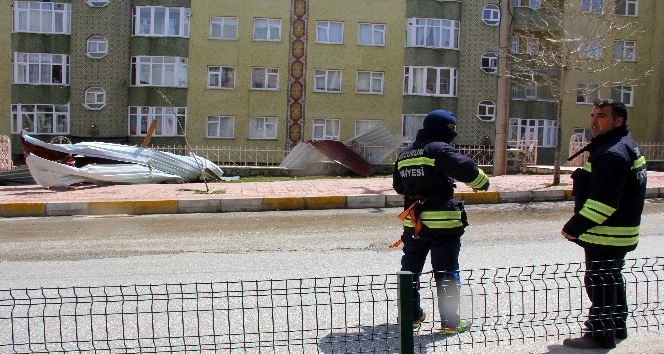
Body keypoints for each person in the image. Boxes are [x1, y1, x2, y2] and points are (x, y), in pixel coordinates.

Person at [392, 109, 490, 333]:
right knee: (446, 272)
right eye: (451, 129)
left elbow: (398, 186)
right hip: (444, 224)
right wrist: (483, 182)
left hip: (414, 224)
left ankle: (410, 317)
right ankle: (450, 322)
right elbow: (468, 169)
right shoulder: (438, 149)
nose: (453, 134)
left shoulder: (405, 153)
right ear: (440, 127)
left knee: (410, 271)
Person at [561, 99, 647, 349]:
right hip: (619, 231)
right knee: (611, 279)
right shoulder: (622, 145)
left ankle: (599, 335)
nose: (594, 121)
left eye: (602, 116)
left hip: (607, 233)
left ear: (618, 121)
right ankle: (617, 327)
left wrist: (575, 226)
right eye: (592, 115)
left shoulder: (612, 153)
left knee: (599, 282)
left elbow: (604, 201)